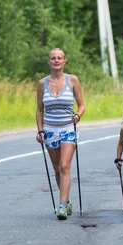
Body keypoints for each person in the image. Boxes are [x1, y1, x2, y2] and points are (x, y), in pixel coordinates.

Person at [36, 48, 85, 220]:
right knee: (57, 169)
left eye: (59, 58)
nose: (56, 61)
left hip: (67, 128)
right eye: (53, 58)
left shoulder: (72, 80)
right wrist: (40, 131)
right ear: (49, 61)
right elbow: (39, 110)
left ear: (65, 61)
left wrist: (77, 115)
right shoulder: (42, 83)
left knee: (64, 166)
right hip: (50, 129)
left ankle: (62, 205)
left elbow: (81, 105)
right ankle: (67, 200)